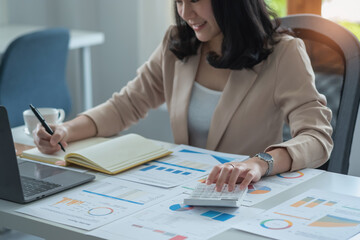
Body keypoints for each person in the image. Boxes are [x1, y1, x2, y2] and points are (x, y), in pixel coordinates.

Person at [34, 0, 333, 192]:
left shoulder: (283, 53)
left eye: (194, 1)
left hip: (245, 196)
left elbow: (317, 137)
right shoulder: (178, 44)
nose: (185, 13)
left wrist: (259, 163)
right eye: (178, 1)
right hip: (184, 192)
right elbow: (127, 104)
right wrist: (66, 130)